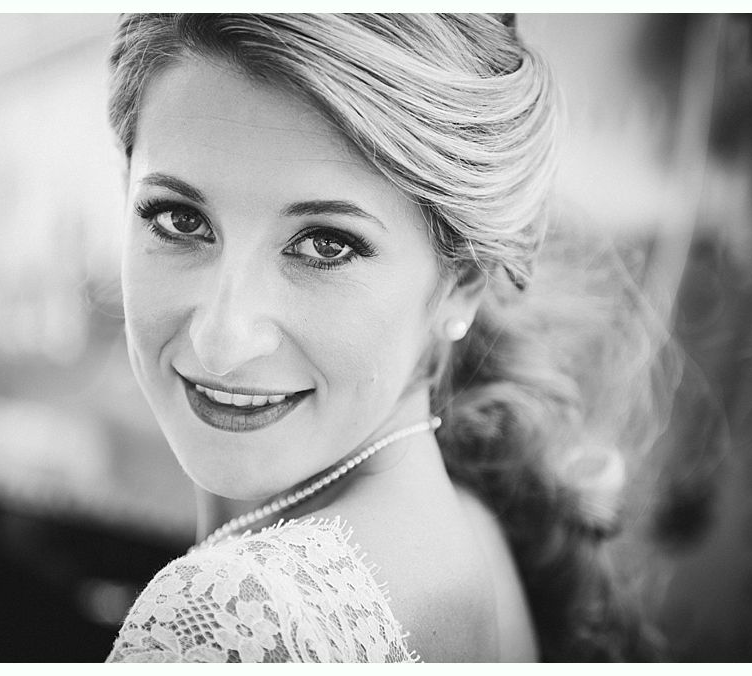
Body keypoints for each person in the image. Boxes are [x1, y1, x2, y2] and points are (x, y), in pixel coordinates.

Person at [105, 13, 669, 662]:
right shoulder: (477, 534)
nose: (221, 340)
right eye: (179, 219)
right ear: (125, 194)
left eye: (325, 244)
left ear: (463, 281)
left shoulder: (240, 616)